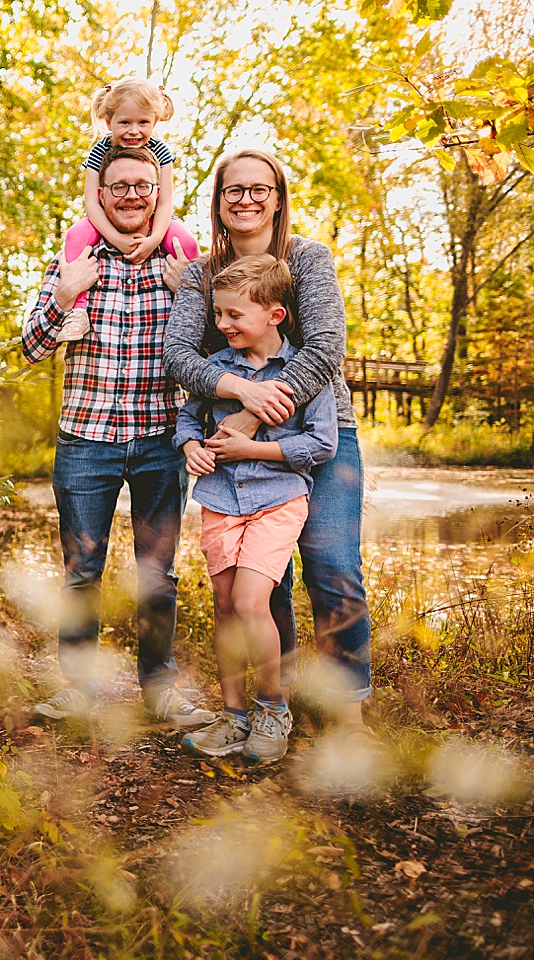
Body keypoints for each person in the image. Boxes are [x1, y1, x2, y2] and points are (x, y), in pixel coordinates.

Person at [163, 148, 373, 732]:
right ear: (219, 201)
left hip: (319, 431)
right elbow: (177, 356)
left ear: (278, 197)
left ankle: (349, 713)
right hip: (233, 453)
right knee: (260, 583)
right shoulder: (204, 275)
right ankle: (268, 705)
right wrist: (238, 390)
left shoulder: (307, 258)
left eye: (260, 188)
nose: (247, 199)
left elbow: (327, 347)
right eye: (234, 189)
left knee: (332, 567)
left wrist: (257, 413)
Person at [22, 142, 213, 730]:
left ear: (158, 193)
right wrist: (61, 297)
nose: (132, 194)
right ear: (100, 195)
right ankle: (76, 690)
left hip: (161, 438)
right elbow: (31, 348)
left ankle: (158, 688)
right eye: (120, 185)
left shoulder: (183, 262)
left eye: (143, 186)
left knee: (158, 573)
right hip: (86, 441)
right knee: (82, 570)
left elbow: (218, 353)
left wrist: (193, 296)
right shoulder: (75, 259)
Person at [173, 255, 337, 763]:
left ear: (274, 315)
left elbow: (322, 444)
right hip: (220, 499)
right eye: (218, 315)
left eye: (233, 316)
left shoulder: (304, 374)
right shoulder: (217, 370)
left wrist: (253, 449)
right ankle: (233, 714)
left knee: (249, 603)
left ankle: (272, 708)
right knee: (224, 606)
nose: (221, 325)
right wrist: (191, 448)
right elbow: (187, 419)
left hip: (278, 500)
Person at [56, 78, 201, 346]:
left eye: (143, 123)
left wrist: (154, 240)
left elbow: (165, 202)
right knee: (75, 237)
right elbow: (92, 202)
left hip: (158, 220)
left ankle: (193, 312)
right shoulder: (100, 150)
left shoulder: (160, 150)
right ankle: (78, 310)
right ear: (109, 121)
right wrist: (116, 239)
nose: (134, 131)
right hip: (102, 220)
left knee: (188, 244)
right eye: (125, 123)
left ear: (154, 121)